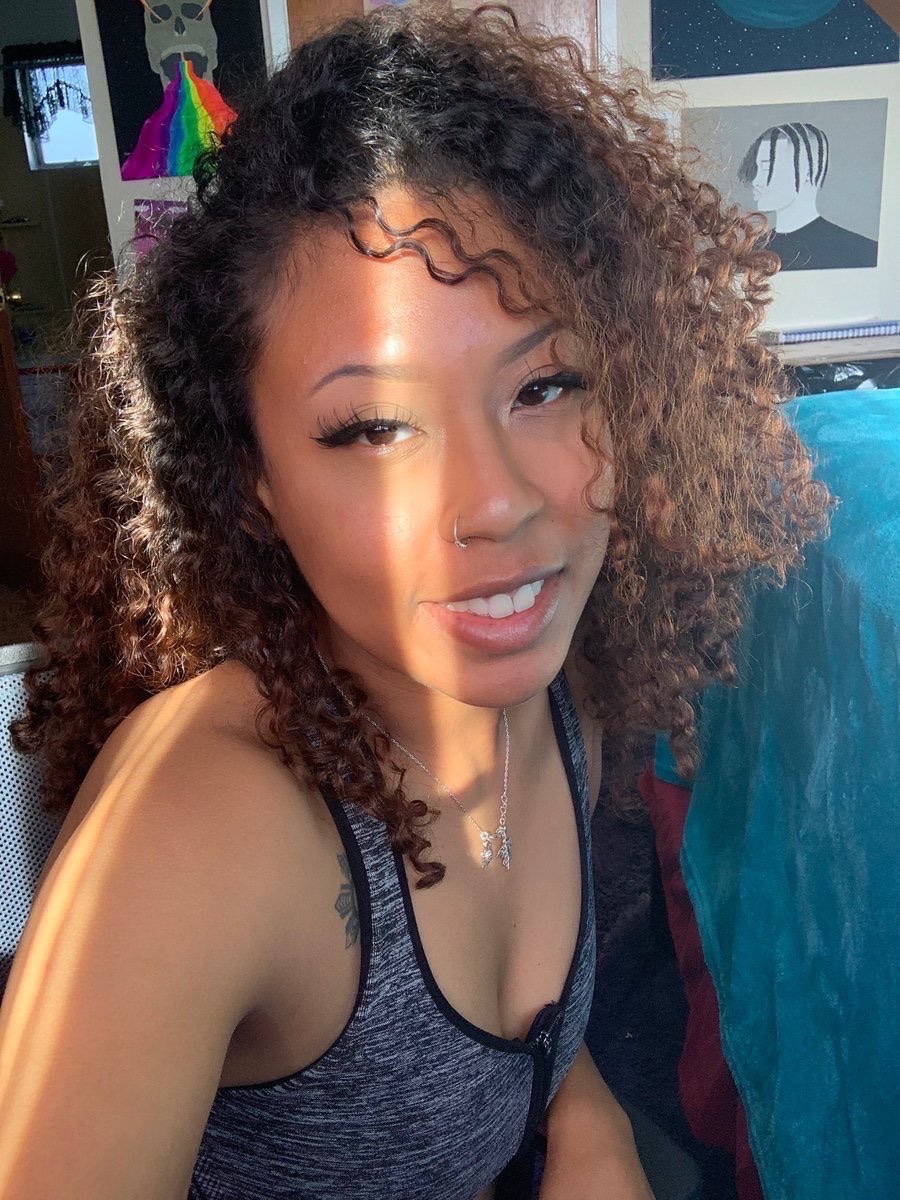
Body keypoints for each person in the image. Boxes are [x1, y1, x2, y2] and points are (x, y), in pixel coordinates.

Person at [0, 6, 830, 1198]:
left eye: (545, 385)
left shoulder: (562, 694)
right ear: (251, 483)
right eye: (375, 427)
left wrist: (585, 1119)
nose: (497, 504)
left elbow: (516, 1049)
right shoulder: (196, 832)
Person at [738, 121, 878, 270]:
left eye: (766, 168)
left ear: (806, 170)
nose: (756, 181)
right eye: (757, 169)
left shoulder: (863, 251)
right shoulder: (748, 254)